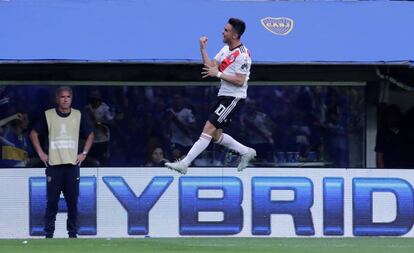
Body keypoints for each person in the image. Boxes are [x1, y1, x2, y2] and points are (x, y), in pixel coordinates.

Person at [166, 18, 256, 174]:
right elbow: (210, 68)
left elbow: (240, 81)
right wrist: (203, 49)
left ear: (235, 35)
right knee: (215, 135)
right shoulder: (224, 50)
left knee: (208, 128)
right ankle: (246, 151)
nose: (222, 32)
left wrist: (219, 73)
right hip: (223, 96)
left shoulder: (243, 55)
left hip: (234, 98)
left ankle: (184, 163)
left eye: (226, 30)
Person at [30, 86, 94, 239]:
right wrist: (41, 153)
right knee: (52, 202)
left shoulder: (78, 115)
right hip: (54, 166)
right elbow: (33, 133)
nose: (65, 99)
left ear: (71, 99)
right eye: (62, 97)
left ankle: (72, 233)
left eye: (68, 97)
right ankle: (49, 233)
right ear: (57, 99)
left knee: (72, 203)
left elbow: (91, 134)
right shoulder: (49, 115)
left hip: (72, 166)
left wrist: (84, 153)